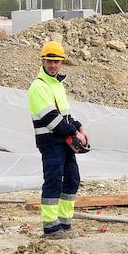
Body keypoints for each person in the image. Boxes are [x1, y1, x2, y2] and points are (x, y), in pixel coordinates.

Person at [28, 40, 88, 235]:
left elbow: (66, 115)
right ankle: (51, 226)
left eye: (56, 62)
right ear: (43, 61)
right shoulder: (39, 87)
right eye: (49, 61)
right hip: (51, 143)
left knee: (72, 180)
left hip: (63, 142)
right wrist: (75, 133)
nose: (53, 65)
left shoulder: (57, 85)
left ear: (62, 62)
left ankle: (64, 222)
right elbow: (52, 121)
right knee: (53, 181)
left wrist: (79, 127)